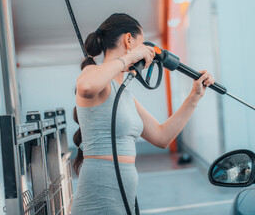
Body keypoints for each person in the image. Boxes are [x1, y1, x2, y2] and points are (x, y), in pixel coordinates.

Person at [71, 13, 215, 214]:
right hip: (98, 202)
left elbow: (162, 137)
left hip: (122, 202)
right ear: (128, 40)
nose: (148, 55)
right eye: (142, 45)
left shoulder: (125, 94)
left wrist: (194, 97)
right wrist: (130, 57)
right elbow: (85, 86)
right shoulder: (91, 73)